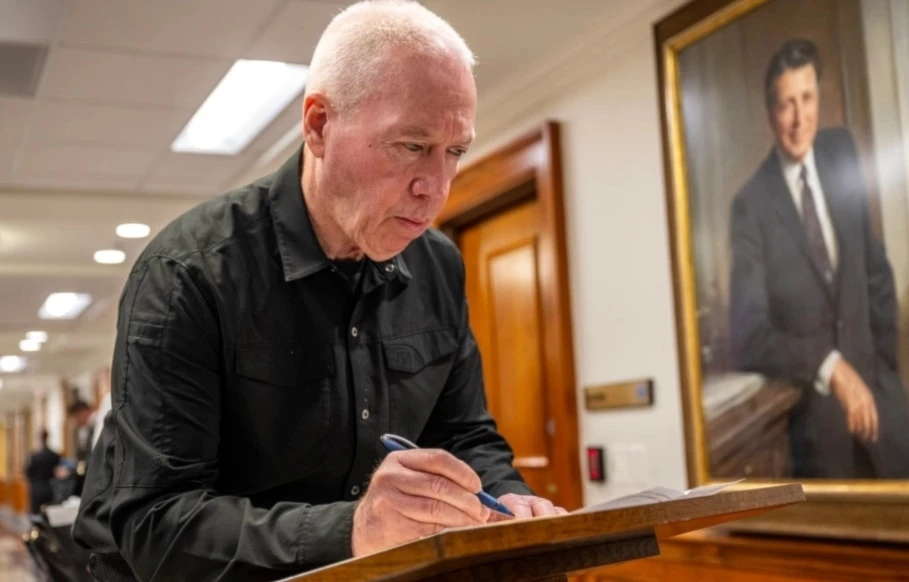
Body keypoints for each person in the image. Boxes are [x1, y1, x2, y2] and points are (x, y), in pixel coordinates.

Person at [72, 2, 563, 580]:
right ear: (319, 126)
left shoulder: (437, 266)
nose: (436, 188)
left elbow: (463, 433)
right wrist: (354, 528)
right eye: (411, 145)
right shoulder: (189, 273)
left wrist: (510, 501)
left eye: (455, 151)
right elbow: (156, 523)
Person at [728, 38, 909, 479]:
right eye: (785, 105)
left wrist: (882, 370)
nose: (799, 120)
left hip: (885, 415)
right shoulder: (751, 205)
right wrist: (832, 369)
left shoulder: (841, 151)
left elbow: (874, 271)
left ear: (819, 97)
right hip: (819, 440)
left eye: (807, 99)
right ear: (769, 115)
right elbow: (749, 336)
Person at [24, 429, 60, 515]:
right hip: (50, 488)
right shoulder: (54, 455)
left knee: (36, 515)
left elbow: (28, 472)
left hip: (37, 489)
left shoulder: (35, 456)